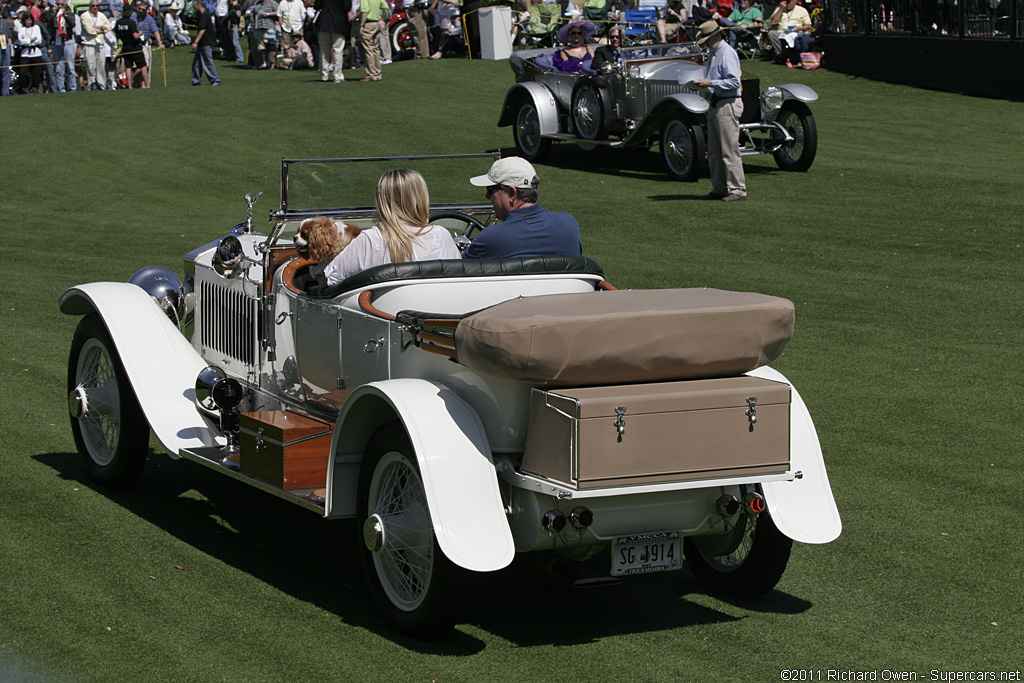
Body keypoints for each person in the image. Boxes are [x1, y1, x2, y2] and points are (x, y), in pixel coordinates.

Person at [322, 169, 460, 286]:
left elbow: (331, 279)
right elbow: (458, 277)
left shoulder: (371, 238)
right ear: (421, 198)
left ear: (382, 200)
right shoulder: (442, 234)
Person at [463, 157, 582, 260]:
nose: (487, 196)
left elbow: (457, 271)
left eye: (490, 190)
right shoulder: (569, 224)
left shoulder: (490, 238)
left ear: (512, 193)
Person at [692, 19, 745, 201]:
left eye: (706, 39)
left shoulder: (726, 53)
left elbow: (734, 82)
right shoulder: (715, 53)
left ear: (714, 36)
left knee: (729, 150)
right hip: (716, 103)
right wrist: (703, 86)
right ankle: (720, 187)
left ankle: (737, 189)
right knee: (714, 151)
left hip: (727, 103)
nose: (705, 43)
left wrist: (710, 83)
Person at [314, 0, 353, 81]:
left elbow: (317, 6)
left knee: (324, 50)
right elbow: (347, 7)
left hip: (324, 22)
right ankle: (337, 76)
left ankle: (324, 75)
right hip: (338, 23)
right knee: (338, 50)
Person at [80, 0, 111, 90]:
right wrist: (101, 28)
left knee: (101, 64)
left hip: (100, 43)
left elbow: (108, 26)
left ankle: (101, 84)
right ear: (90, 6)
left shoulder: (101, 15)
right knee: (90, 65)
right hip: (89, 43)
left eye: (97, 6)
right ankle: (91, 83)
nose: (95, 7)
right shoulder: (84, 16)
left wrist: (97, 28)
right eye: (93, 6)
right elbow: (89, 30)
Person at [49, 0, 77, 91]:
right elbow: (49, 25)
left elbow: (72, 24)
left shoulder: (70, 14)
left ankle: (73, 88)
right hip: (57, 42)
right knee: (59, 67)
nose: (60, 6)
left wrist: (64, 14)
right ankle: (61, 89)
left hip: (67, 41)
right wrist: (54, 14)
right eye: (58, 4)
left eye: (62, 4)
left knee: (70, 66)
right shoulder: (53, 15)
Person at [191, 0, 221, 84]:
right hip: (202, 42)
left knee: (207, 61)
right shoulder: (203, 15)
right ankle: (195, 80)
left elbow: (202, 29)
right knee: (196, 62)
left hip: (206, 41)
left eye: (195, 6)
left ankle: (215, 79)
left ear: (198, 5)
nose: (194, 8)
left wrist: (196, 42)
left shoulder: (204, 15)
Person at [114, 8, 145, 87]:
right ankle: (147, 84)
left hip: (125, 46)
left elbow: (116, 34)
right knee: (142, 65)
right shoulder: (131, 22)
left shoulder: (118, 22)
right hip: (135, 47)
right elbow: (135, 36)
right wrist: (140, 33)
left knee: (128, 67)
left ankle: (130, 86)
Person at [15, 12, 45, 93]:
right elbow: (21, 41)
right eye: (27, 19)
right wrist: (30, 40)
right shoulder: (21, 29)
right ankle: (23, 87)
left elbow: (39, 40)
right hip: (25, 53)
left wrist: (27, 40)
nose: (29, 21)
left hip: (36, 53)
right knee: (23, 72)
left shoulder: (36, 28)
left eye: (30, 19)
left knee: (36, 72)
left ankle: (35, 87)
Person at [358, 0, 386, 80]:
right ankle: (377, 73)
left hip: (368, 24)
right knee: (375, 48)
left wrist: (361, 25)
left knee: (368, 48)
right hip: (376, 23)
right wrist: (382, 19)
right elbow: (386, 7)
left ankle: (372, 74)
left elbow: (364, 12)